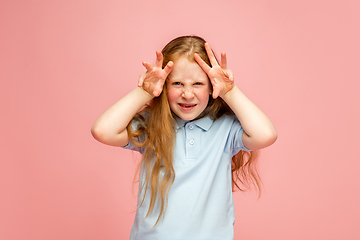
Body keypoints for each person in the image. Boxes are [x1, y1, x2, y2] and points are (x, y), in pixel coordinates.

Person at [91, 35, 277, 240]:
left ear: (212, 86)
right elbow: (103, 131)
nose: (187, 94)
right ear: (164, 86)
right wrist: (144, 92)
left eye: (198, 83)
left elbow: (266, 135)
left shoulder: (225, 128)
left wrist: (230, 92)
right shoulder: (152, 125)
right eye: (177, 83)